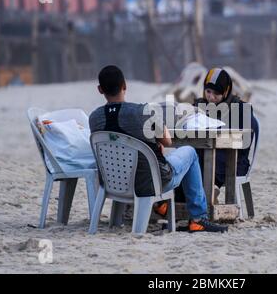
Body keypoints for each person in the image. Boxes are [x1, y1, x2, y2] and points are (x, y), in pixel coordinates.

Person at [89, 65, 228, 233]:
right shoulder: (144, 112)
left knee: (153, 158)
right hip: (152, 182)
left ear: (99, 89)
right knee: (189, 152)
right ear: (124, 86)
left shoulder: (94, 118)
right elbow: (168, 140)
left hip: (114, 182)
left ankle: (159, 206)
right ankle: (198, 218)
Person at [194, 67, 255, 201]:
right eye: (208, 91)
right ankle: (189, 201)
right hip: (207, 152)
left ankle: (207, 192)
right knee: (189, 155)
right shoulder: (200, 105)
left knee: (204, 158)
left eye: (217, 93)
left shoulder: (240, 109)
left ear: (226, 92)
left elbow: (243, 141)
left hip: (235, 158)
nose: (211, 97)